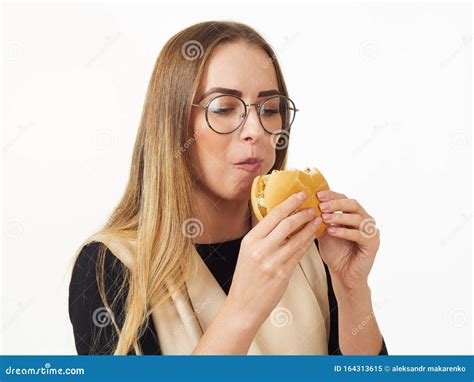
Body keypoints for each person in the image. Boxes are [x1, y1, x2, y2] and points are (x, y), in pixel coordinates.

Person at [68, 20, 387, 356]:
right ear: (174, 126)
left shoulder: (312, 244)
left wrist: (352, 289)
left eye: (270, 109)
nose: (256, 130)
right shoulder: (109, 266)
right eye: (223, 108)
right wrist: (243, 311)